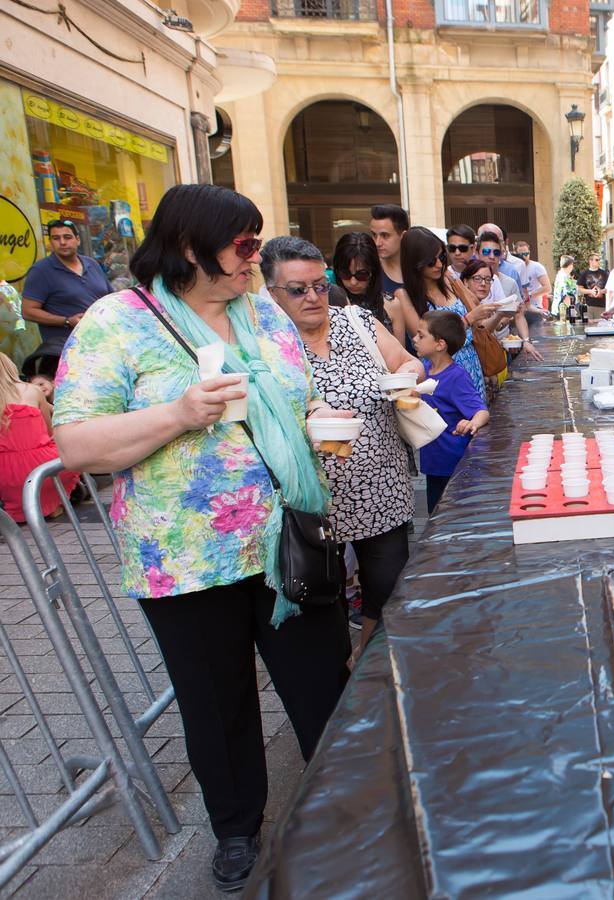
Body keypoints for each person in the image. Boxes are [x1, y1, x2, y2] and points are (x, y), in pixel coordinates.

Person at [51, 184, 352, 892]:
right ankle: (237, 829)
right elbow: (75, 443)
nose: (256, 257)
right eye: (244, 245)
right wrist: (180, 412)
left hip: (287, 542)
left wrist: (322, 423)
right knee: (217, 708)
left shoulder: (261, 316)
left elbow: (301, 396)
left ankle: (349, 806)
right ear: (190, 248)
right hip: (183, 559)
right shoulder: (116, 322)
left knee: (325, 688)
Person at [261, 237, 419, 653]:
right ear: (271, 292)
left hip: (381, 488)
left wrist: (406, 379)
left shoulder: (357, 323)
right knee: (318, 593)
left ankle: (364, 664)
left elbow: (407, 361)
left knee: (386, 589)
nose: (313, 296)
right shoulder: (266, 344)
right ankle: (332, 669)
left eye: (319, 284)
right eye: (298, 289)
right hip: (313, 501)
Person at [394, 227, 497, 400]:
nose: (439, 264)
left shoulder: (448, 282)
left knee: (477, 420)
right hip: (441, 372)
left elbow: (475, 308)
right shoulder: (404, 296)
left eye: (442, 257)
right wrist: (467, 320)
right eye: (430, 261)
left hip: (471, 363)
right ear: (415, 262)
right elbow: (426, 341)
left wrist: (454, 280)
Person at [413, 310, 488, 513]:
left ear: (440, 344)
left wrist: (472, 423)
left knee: (454, 516)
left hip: (453, 464)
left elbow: (481, 411)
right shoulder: (423, 371)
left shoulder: (456, 377)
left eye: (421, 335)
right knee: (434, 516)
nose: (414, 339)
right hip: (433, 463)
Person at [21, 219, 114, 364]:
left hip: (103, 346)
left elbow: (110, 298)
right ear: (51, 243)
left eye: (67, 237)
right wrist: (66, 321)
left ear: (78, 240)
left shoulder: (92, 264)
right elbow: (28, 311)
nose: (62, 242)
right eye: (56, 238)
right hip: (67, 354)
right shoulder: (41, 271)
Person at [0, 354, 77, 523]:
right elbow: (50, 431)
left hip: (5, 475)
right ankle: (54, 503)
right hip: (44, 468)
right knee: (71, 454)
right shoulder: (31, 390)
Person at [475, 230, 542, 362]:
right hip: (479, 351)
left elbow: (519, 314)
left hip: (502, 350)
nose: (491, 256)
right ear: (477, 254)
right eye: (486, 252)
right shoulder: (468, 282)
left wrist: (526, 341)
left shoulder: (509, 282)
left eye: (496, 252)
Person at [331, 232, 397, 333]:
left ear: (373, 272)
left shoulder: (392, 305)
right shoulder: (329, 305)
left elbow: (399, 348)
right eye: (345, 274)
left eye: (361, 275)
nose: (353, 282)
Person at [370, 204, 409, 296]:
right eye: (374, 235)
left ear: (403, 236)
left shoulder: (422, 269)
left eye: (385, 235)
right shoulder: (369, 272)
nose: (377, 243)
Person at [515, 240, 550, 309]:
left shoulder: (537, 267)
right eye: (521, 255)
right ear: (515, 254)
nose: (524, 257)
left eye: (526, 254)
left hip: (535, 306)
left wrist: (529, 295)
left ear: (529, 252)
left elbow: (547, 288)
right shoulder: (513, 268)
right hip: (519, 308)